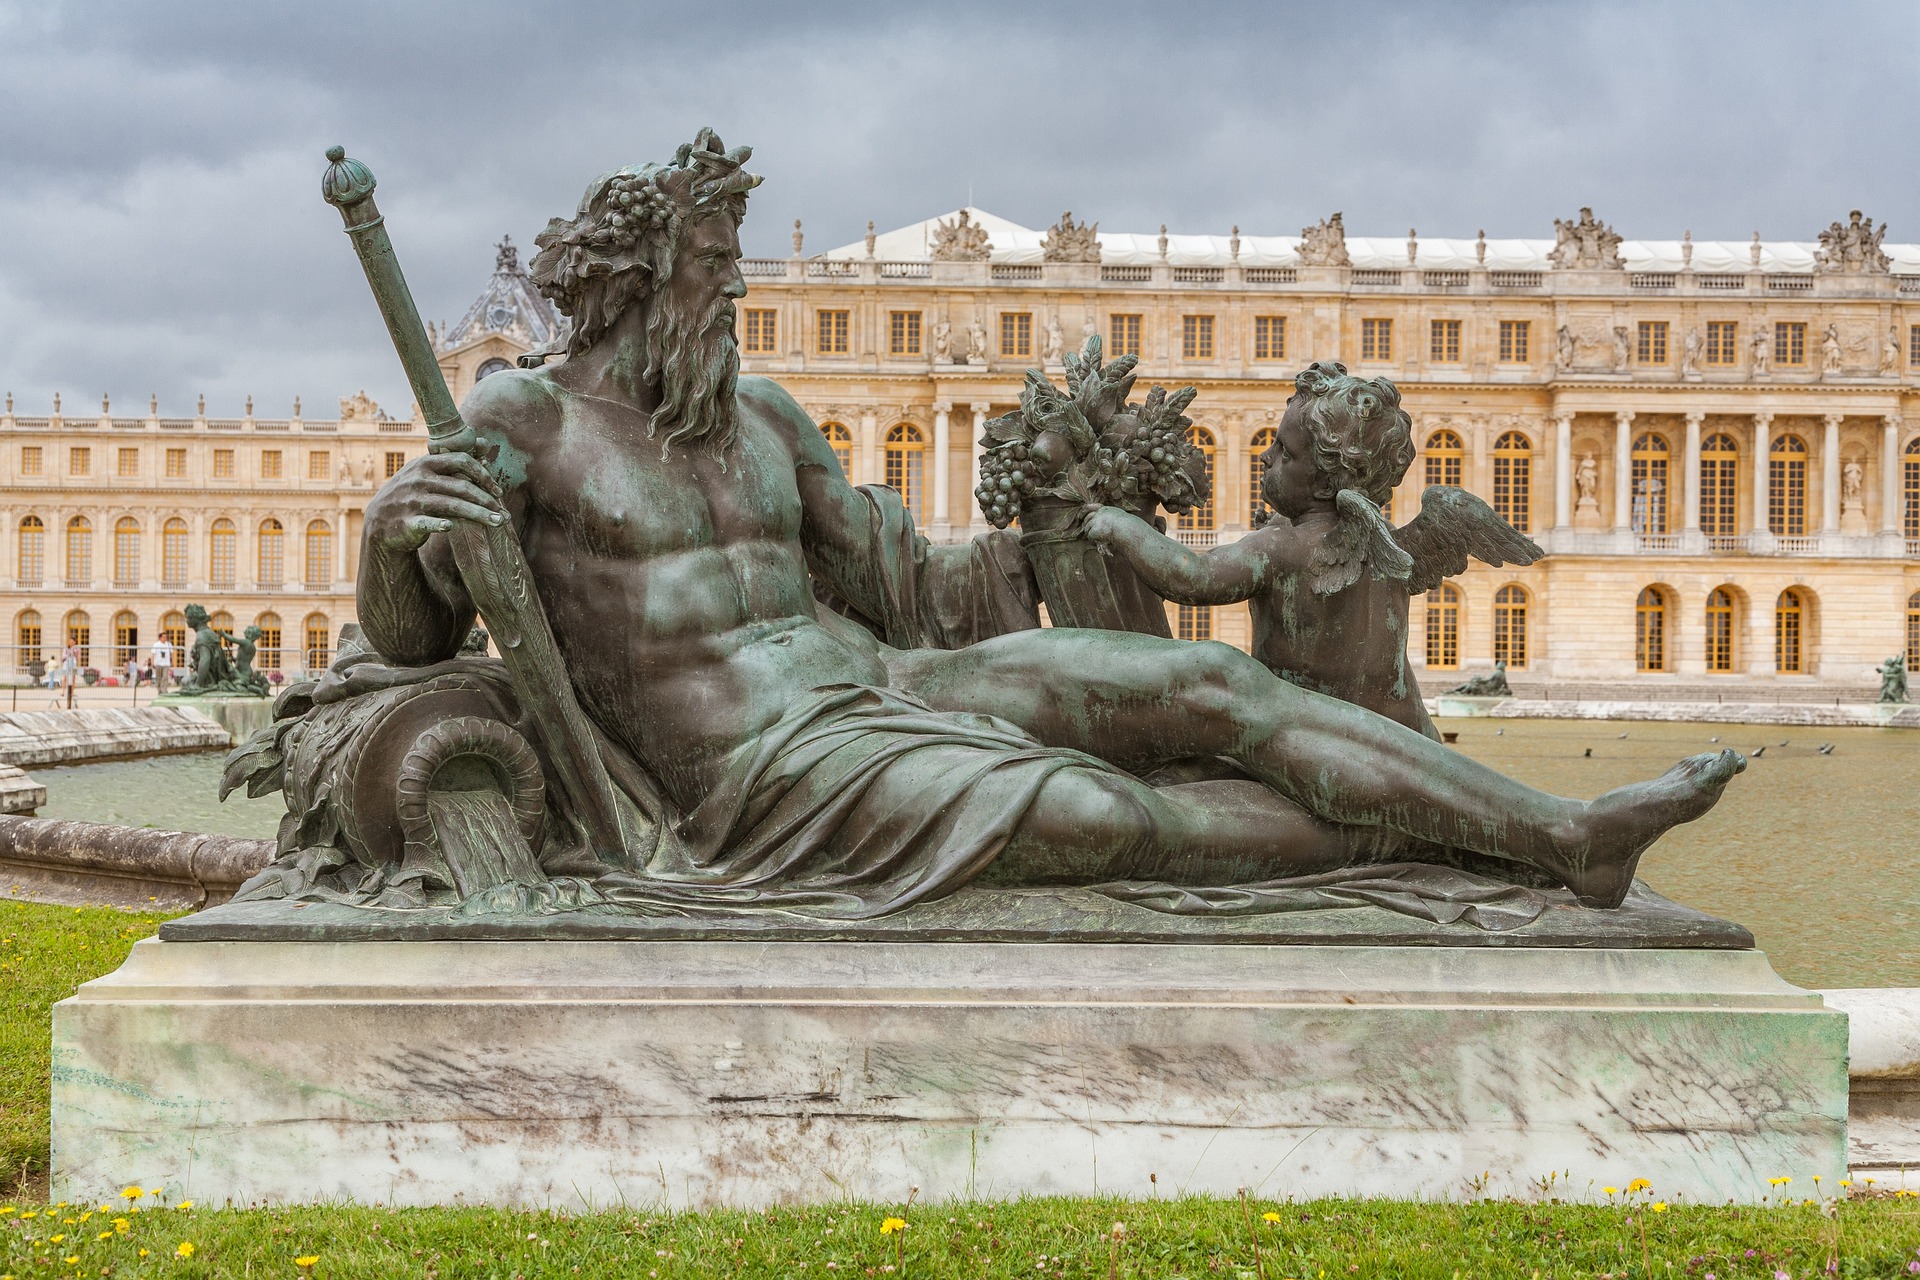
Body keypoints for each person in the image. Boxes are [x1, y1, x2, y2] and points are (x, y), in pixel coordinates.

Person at [355, 129, 1741, 916]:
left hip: (881, 684)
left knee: (1209, 680)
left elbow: (911, 580)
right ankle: (1435, 844)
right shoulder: (522, 424)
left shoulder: (761, 413)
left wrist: (1069, 522)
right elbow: (415, 632)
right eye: (711, 275)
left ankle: (1565, 839)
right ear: (635, 279)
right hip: (755, 771)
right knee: (1089, 811)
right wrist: (389, 531)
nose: (729, 300)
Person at [1082, 363, 1537, 739]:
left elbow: (1192, 577)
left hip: (1317, 742)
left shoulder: (1284, 547)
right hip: (1404, 738)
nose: (1265, 458)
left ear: (1322, 481)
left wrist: (1120, 524)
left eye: (1282, 452)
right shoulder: (1383, 545)